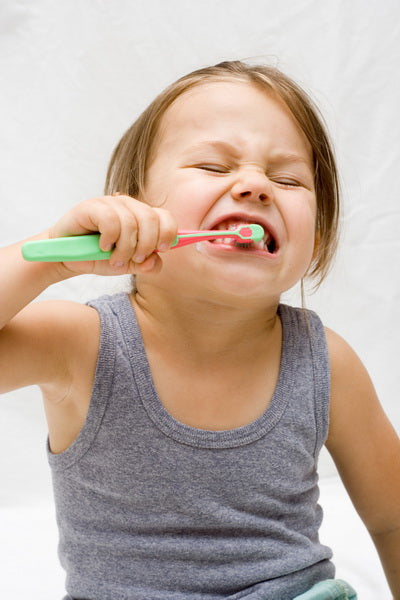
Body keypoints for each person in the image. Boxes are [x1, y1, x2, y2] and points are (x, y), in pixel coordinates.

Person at [0, 60, 399, 600]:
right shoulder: (81, 344)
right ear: (133, 208)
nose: (256, 185)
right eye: (213, 166)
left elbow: (393, 521)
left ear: (318, 239)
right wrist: (46, 256)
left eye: (288, 179)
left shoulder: (326, 361)